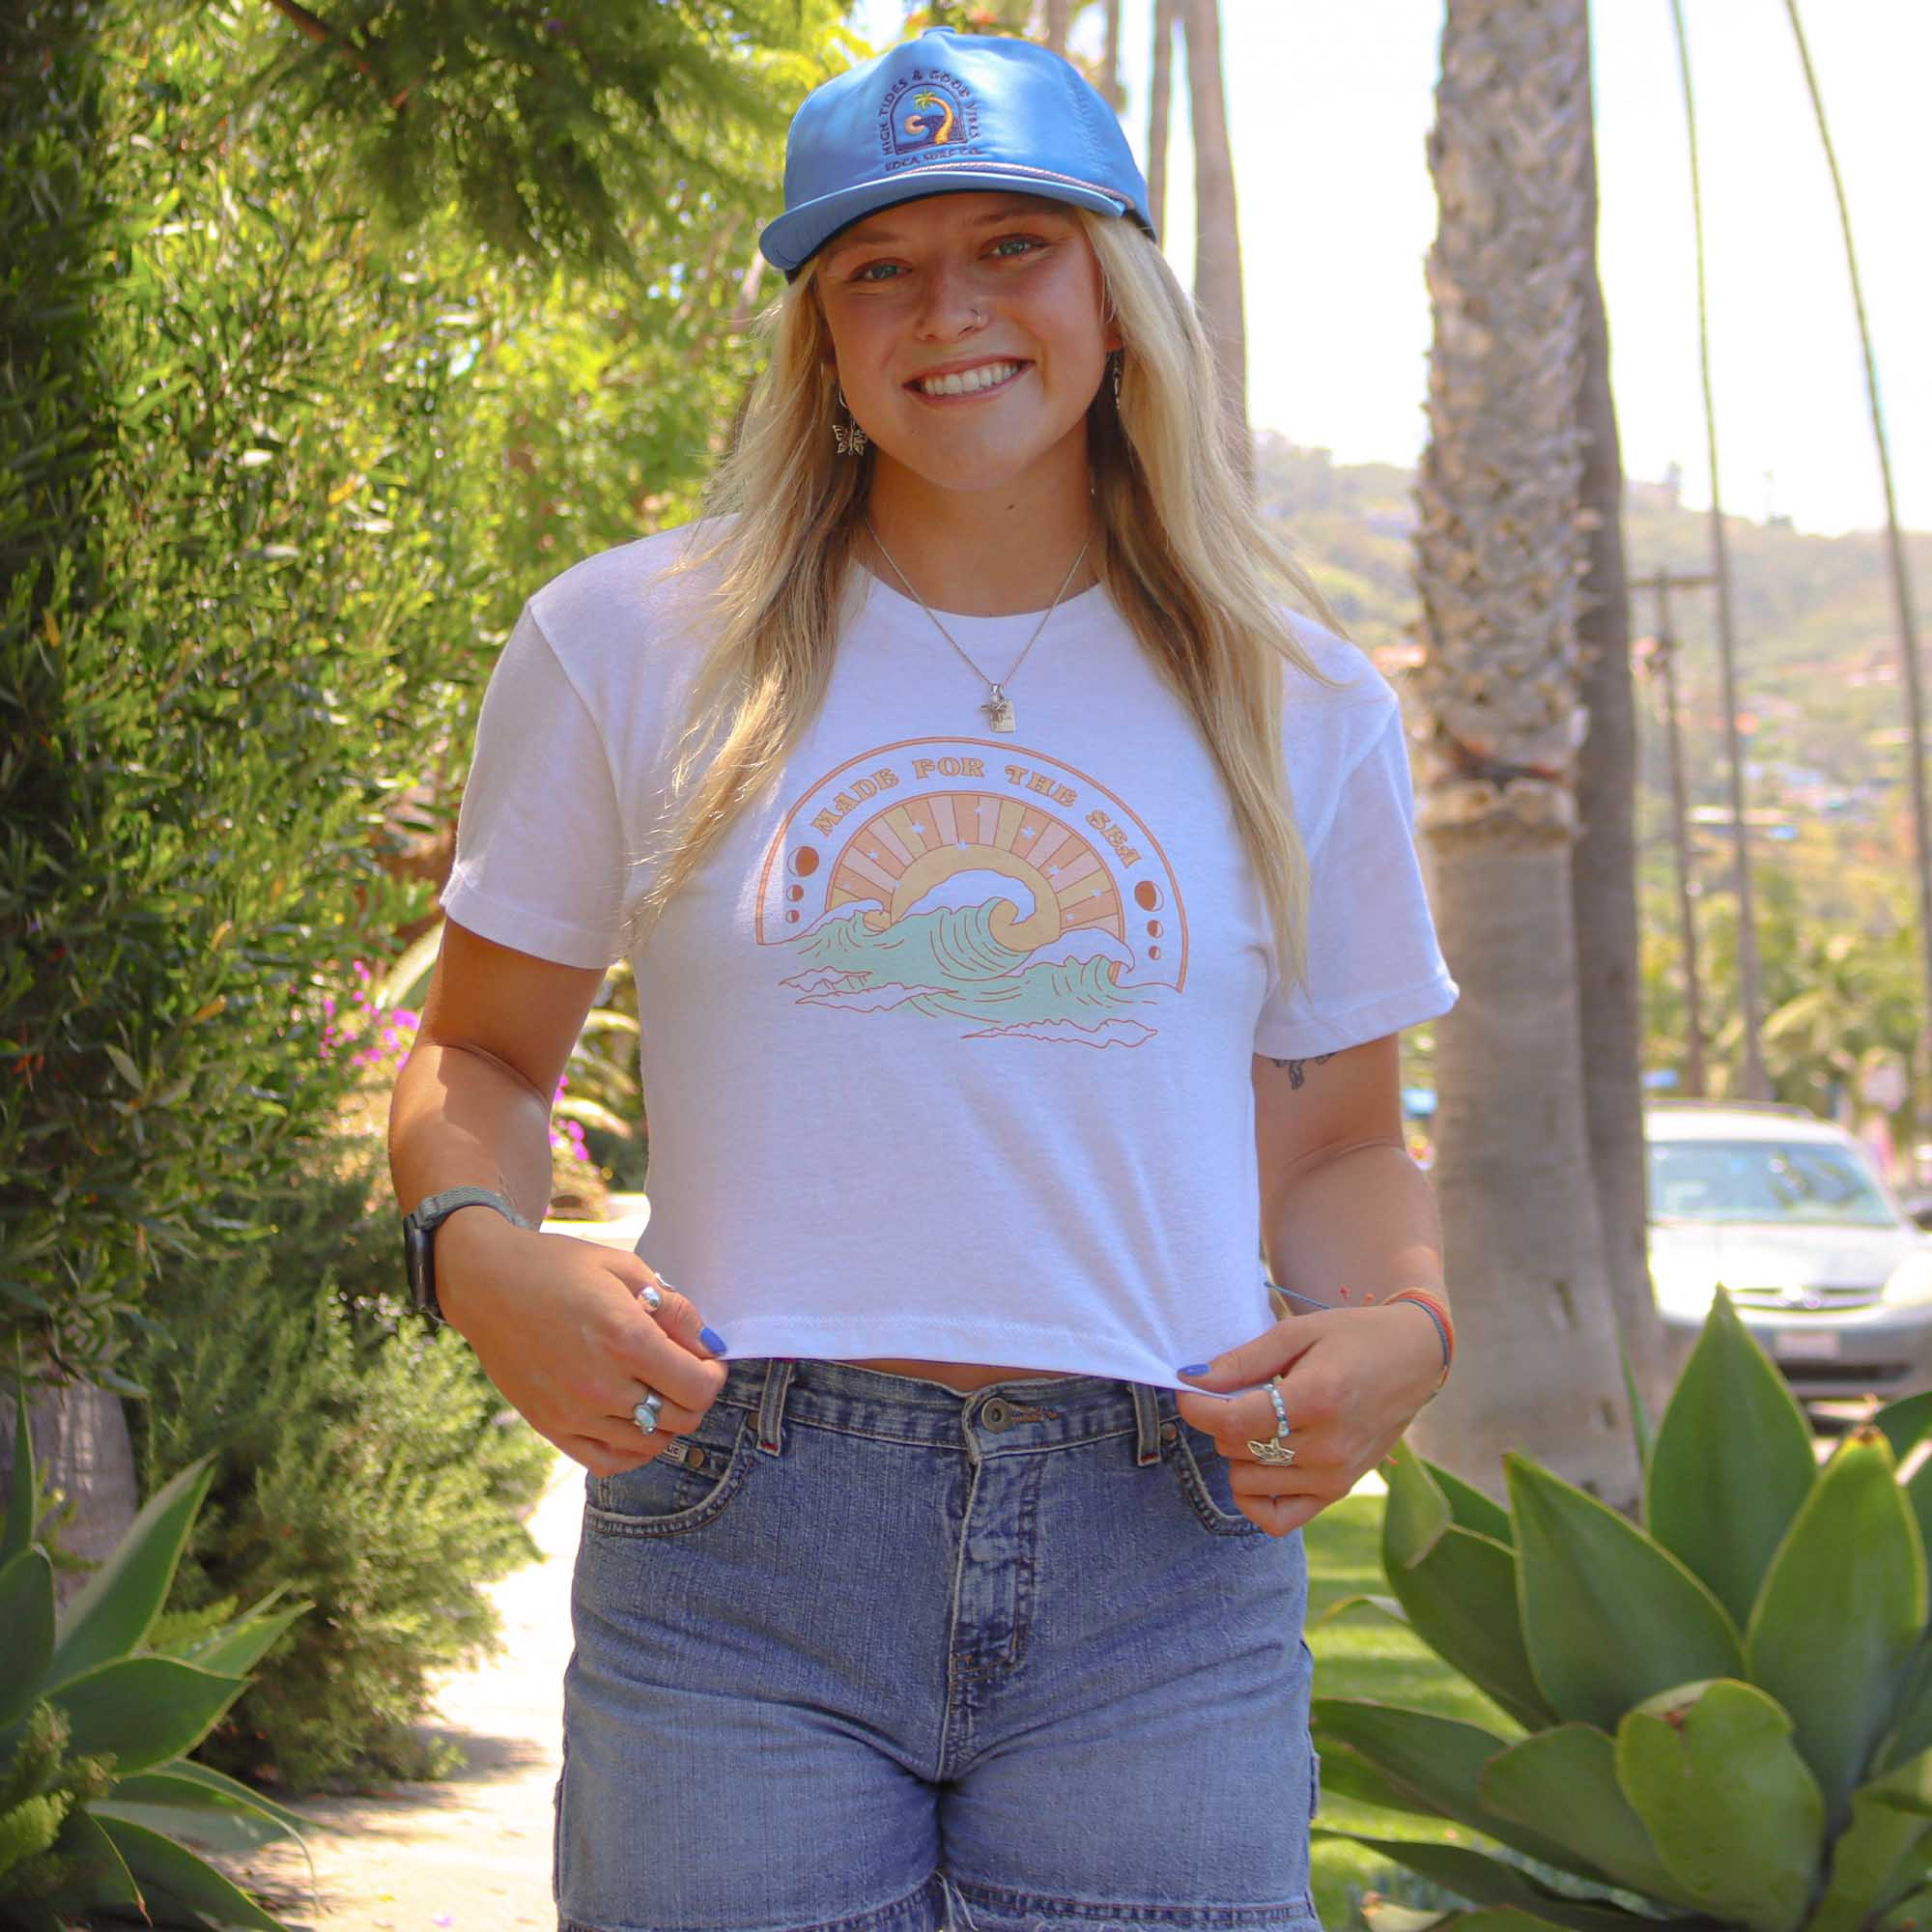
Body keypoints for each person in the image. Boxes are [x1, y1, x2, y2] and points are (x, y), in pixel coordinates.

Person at [388, 26, 1459, 1932]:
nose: (945, 310)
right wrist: (483, 1258)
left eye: (1011, 247)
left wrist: (1404, 1326)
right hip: (744, 1534)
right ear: (819, 334)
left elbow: (1340, 1150)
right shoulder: (626, 642)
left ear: (1117, 296)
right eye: (877, 263)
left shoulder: (1303, 703)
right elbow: (475, 1053)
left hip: (1167, 1553)